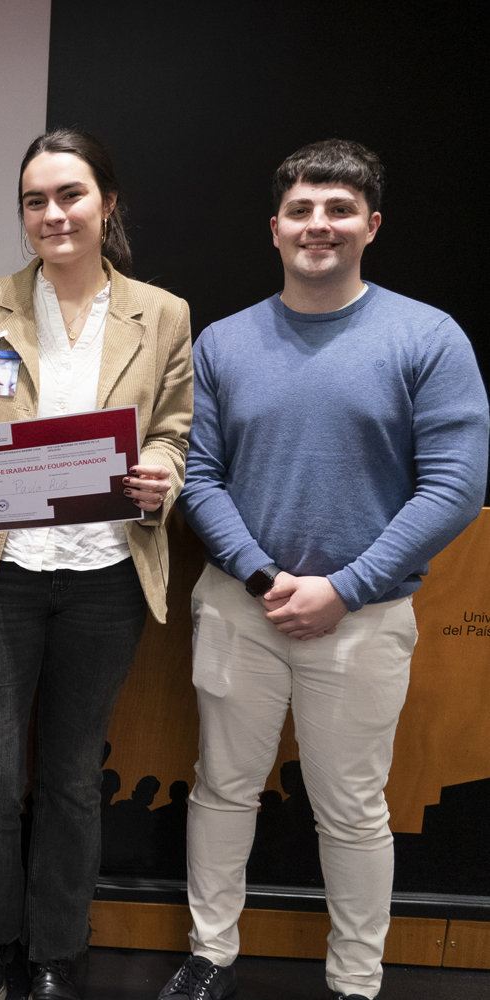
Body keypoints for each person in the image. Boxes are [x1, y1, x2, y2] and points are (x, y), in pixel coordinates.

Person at [159, 139, 489, 1000]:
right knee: (222, 790)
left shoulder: (427, 337)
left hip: (363, 618)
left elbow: (455, 485)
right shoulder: (223, 343)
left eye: (339, 210)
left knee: (353, 809)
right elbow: (198, 476)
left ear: (371, 225)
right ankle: (210, 955)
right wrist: (261, 576)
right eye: (301, 210)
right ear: (274, 228)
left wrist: (345, 588)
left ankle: (355, 982)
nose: (319, 225)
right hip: (241, 607)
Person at [0, 129, 193, 1000]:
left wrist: (161, 476)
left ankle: (56, 948)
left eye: (70, 195)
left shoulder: (163, 313)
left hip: (106, 574)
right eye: (35, 200)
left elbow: (174, 432)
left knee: (73, 779)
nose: (53, 214)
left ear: (107, 203)